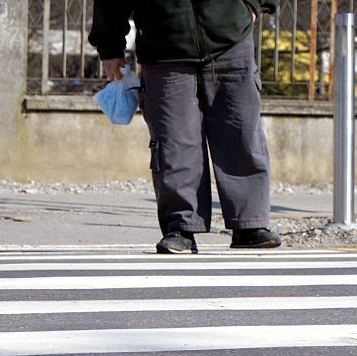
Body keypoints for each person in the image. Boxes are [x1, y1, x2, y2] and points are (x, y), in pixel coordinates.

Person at [89, 1, 282, 254]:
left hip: (230, 37)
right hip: (164, 45)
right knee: (174, 142)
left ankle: (250, 225)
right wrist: (110, 47)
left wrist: (254, 5)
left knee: (241, 134)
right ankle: (181, 226)